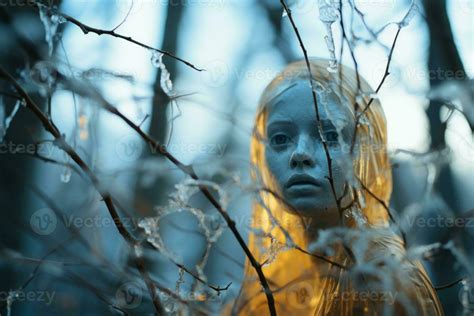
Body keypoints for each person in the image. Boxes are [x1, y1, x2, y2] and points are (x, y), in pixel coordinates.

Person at [228, 59, 443, 315]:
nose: (300, 154)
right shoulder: (281, 270)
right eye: (280, 138)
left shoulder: (383, 277)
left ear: (366, 150)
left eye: (329, 135)